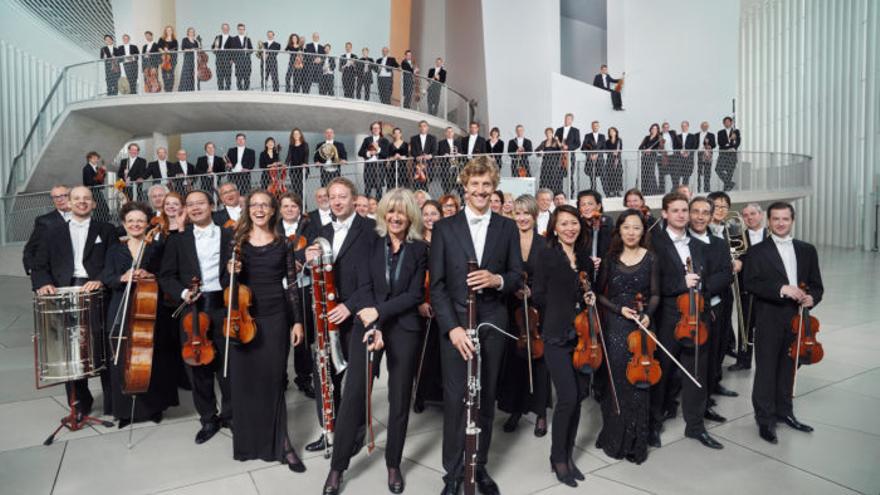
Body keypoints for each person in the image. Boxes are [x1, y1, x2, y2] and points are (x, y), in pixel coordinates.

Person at [322, 189, 428, 495]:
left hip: (404, 329)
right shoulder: (371, 240)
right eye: (390, 212)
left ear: (411, 216)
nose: (395, 218)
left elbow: (413, 296)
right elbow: (364, 285)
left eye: (401, 212)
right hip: (367, 325)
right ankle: (337, 468)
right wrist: (375, 324)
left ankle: (393, 464)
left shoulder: (420, 249)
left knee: (398, 400)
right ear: (383, 214)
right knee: (354, 395)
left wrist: (380, 314)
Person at [430, 156, 522, 495]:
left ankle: (478, 465)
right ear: (464, 188)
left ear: (493, 187)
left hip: (493, 322)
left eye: (486, 185)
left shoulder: (507, 226)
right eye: (475, 185)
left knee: (485, 396)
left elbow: (516, 276)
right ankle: (454, 473)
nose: (480, 190)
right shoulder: (444, 227)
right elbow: (436, 286)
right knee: (456, 399)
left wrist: (497, 279)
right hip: (456, 324)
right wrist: (452, 329)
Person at [222, 190, 306, 469]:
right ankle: (247, 441)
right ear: (249, 210)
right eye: (254, 205)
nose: (259, 209)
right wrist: (230, 270)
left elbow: (291, 286)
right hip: (243, 319)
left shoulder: (283, 244)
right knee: (245, 383)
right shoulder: (236, 241)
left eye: (265, 205)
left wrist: (296, 321)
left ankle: (281, 442)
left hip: (275, 317)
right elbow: (226, 283)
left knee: (273, 382)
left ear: (273, 211)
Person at [648, 192, 727, 450]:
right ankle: (653, 425)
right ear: (665, 214)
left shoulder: (699, 245)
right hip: (668, 318)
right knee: (663, 374)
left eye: (685, 210)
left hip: (697, 318)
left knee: (696, 374)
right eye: (676, 210)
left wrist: (703, 292)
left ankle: (695, 427)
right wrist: (680, 284)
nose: (682, 215)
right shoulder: (654, 243)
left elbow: (712, 279)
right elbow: (651, 282)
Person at [303, 177, 376, 454]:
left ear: (353, 198)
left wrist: (351, 304)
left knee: (357, 380)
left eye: (342, 196)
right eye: (332, 197)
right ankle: (328, 430)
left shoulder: (371, 229)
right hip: (326, 315)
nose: (336, 201)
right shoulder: (319, 230)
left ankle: (353, 436)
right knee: (325, 374)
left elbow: (376, 277)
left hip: (357, 314)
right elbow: (311, 267)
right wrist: (307, 258)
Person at [31, 186, 116, 419]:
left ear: (94, 204)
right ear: (68, 202)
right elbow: (38, 265)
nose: (82, 202)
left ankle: (113, 404)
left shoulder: (106, 230)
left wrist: (100, 280)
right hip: (63, 294)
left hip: (97, 293)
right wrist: (44, 283)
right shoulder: (52, 232)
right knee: (72, 352)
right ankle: (79, 403)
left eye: (87, 199)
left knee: (104, 348)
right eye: (77, 198)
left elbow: (114, 262)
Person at [743, 202, 823, 444]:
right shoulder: (757, 251)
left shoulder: (807, 250)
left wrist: (812, 298)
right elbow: (751, 283)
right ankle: (765, 419)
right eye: (775, 219)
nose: (780, 223)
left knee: (789, 369)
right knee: (766, 370)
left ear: (792, 220)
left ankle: (785, 412)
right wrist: (781, 288)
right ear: (768, 221)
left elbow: (817, 285)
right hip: (769, 318)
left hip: (798, 320)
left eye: (785, 219)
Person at [158, 189, 233, 444]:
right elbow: (166, 275)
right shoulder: (178, 240)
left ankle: (231, 415)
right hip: (193, 309)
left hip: (222, 305)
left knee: (227, 364)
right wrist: (182, 292)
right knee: (198, 365)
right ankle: (209, 418)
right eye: (190, 205)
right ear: (185, 210)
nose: (196, 207)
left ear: (211, 205)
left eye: (201, 203)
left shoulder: (229, 235)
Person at [101, 201, 179, 427]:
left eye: (140, 221)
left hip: (150, 306)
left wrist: (150, 274)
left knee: (153, 357)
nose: (135, 225)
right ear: (124, 224)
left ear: (147, 224)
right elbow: (107, 276)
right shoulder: (115, 249)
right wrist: (121, 278)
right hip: (121, 306)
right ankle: (124, 412)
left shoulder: (156, 247)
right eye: (131, 221)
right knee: (122, 358)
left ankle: (153, 408)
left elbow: (167, 274)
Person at [532, 204, 594, 487]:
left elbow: (586, 288)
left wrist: (587, 297)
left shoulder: (582, 256)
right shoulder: (545, 255)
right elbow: (539, 296)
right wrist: (561, 309)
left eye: (574, 223)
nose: (570, 228)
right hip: (556, 334)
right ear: (554, 228)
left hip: (583, 336)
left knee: (580, 394)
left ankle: (568, 455)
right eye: (564, 223)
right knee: (567, 396)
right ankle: (557, 458)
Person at [594, 209, 659, 464]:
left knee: (639, 383)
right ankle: (614, 436)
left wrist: (648, 315)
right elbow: (600, 294)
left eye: (636, 228)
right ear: (619, 230)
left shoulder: (652, 258)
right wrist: (618, 309)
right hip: (616, 324)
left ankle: (635, 443)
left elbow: (655, 294)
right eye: (626, 227)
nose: (631, 232)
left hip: (640, 324)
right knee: (617, 381)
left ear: (643, 232)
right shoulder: (610, 258)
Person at [497, 195, 551, 437]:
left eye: (525, 214)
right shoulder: (507, 241)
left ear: (534, 215)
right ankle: (516, 409)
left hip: (538, 310)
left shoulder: (545, 244)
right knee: (515, 361)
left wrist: (533, 291)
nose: (521, 218)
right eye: (517, 213)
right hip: (512, 309)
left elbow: (549, 278)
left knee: (540, 361)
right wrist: (513, 287)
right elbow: (501, 272)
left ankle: (541, 412)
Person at [687, 196, 735, 425]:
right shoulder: (681, 240)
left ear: (710, 215)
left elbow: (726, 274)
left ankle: (705, 402)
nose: (699, 216)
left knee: (714, 355)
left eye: (705, 212)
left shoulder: (719, 244)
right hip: (688, 312)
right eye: (695, 211)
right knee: (694, 361)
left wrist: (702, 286)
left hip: (714, 308)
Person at [276, 192, 318, 398]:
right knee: (281, 335)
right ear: (280, 209)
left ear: (299, 208)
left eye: (293, 206)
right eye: (285, 206)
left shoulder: (310, 227)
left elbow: (315, 248)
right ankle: (280, 378)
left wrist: (300, 261)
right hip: (280, 288)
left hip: (303, 286)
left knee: (304, 336)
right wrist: (287, 264)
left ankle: (304, 378)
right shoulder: (273, 229)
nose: (290, 209)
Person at [413, 199, 444, 412]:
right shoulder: (415, 242)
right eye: (426, 214)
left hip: (442, 302)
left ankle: (440, 394)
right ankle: (420, 395)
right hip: (422, 303)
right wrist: (421, 302)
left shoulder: (447, 239)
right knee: (421, 354)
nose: (430, 218)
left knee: (439, 353)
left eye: (434, 214)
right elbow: (413, 277)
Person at [730, 203, 767, 372]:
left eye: (753, 214)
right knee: (744, 326)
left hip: (768, 289)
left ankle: (766, 360)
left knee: (766, 327)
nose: (749, 218)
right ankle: (743, 361)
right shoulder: (737, 239)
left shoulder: (772, 235)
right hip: (746, 288)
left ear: (760, 215)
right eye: (745, 215)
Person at [23, 185, 70, 275]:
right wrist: (33, 270)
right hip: (55, 275)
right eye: (55, 197)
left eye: (63, 196)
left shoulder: (83, 218)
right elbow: (31, 248)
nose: (59, 200)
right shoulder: (44, 221)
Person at [577, 190, 613, 276]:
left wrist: (603, 260)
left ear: (598, 206)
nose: (586, 208)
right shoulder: (576, 226)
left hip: (604, 273)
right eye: (583, 205)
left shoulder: (607, 223)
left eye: (590, 204)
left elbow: (612, 250)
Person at [359, 121, 391, 199]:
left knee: (379, 187)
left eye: (377, 128)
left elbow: (386, 154)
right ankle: (366, 204)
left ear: (380, 130)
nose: (376, 129)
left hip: (379, 166)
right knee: (367, 187)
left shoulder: (385, 141)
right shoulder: (367, 140)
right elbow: (360, 152)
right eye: (374, 128)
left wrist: (378, 149)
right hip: (369, 166)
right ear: (371, 130)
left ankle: (378, 205)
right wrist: (369, 153)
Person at [555, 113, 581, 196]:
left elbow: (578, 144)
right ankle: (560, 194)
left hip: (570, 156)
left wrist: (568, 147)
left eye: (569, 119)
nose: (567, 120)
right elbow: (555, 142)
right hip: (559, 157)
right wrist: (559, 145)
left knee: (570, 176)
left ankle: (571, 195)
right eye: (566, 118)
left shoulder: (575, 130)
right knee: (559, 176)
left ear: (572, 120)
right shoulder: (559, 130)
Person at [410, 120, 436, 191]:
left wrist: (430, 156)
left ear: (427, 128)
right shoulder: (413, 139)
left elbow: (435, 151)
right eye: (421, 126)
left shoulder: (432, 138)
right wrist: (416, 157)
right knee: (416, 185)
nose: (422, 128)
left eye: (424, 126)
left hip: (428, 165)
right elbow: (412, 151)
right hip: (417, 165)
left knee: (426, 184)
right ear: (419, 128)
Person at [82, 151, 110, 219]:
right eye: (94, 158)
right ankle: (100, 220)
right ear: (89, 159)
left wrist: (103, 172)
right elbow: (89, 181)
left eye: (97, 158)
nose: (96, 160)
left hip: (97, 190)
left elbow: (101, 179)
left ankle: (102, 220)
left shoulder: (97, 168)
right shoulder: (86, 168)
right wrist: (100, 172)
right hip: (92, 190)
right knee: (100, 207)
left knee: (101, 207)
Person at [537, 127, 564, 194]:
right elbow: (537, 151)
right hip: (546, 163)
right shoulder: (544, 142)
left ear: (552, 133)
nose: (548, 134)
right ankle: (545, 194)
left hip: (555, 163)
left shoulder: (555, 141)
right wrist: (540, 152)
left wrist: (558, 141)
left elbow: (562, 148)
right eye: (546, 133)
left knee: (554, 178)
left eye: (549, 133)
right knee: (545, 178)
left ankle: (555, 194)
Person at [717, 117, 741, 191]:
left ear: (731, 123)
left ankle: (726, 189)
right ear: (723, 123)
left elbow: (738, 142)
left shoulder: (736, 131)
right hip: (723, 154)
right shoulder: (720, 132)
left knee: (730, 172)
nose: (727, 123)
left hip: (732, 155)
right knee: (718, 169)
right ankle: (730, 183)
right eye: (725, 122)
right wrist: (730, 142)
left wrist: (733, 147)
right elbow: (720, 143)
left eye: (728, 122)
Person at [284, 128, 310, 198]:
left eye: (297, 133)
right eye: (294, 134)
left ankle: (304, 207)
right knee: (295, 190)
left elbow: (306, 156)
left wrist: (305, 163)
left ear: (300, 135)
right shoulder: (291, 145)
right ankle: (298, 205)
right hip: (293, 170)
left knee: (300, 189)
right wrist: (285, 165)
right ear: (292, 135)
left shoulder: (305, 144)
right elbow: (288, 157)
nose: (296, 135)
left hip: (302, 170)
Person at [638, 124, 661, 195]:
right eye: (652, 129)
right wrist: (645, 149)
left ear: (657, 130)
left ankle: (651, 191)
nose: (654, 130)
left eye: (655, 129)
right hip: (644, 157)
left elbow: (659, 148)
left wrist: (651, 150)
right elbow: (640, 147)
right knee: (644, 173)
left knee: (650, 173)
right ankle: (644, 191)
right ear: (650, 129)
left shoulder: (659, 138)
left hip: (652, 157)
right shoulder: (647, 137)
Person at [437, 127, 461, 194]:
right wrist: (444, 155)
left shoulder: (458, 142)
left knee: (458, 184)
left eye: (451, 131)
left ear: (453, 133)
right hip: (446, 165)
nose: (450, 133)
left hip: (456, 166)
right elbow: (439, 153)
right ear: (445, 133)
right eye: (448, 131)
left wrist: (459, 154)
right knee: (446, 184)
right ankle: (447, 196)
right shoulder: (441, 143)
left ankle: (460, 200)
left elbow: (461, 152)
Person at [582, 121, 605, 190]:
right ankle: (593, 192)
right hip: (590, 160)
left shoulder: (602, 136)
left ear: (599, 127)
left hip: (600, 160)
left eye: (596, 126)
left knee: (603, 178)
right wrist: (590, 155)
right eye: (594, 126)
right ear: (591, 127)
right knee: (592, 178)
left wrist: (597, 154)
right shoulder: (587, 136)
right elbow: (583, 148)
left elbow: (604, 148)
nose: (595, 127)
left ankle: (607, 194)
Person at [229, 24, 253, 90]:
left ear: (244, 30)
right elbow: (231, 50)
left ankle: (246, 90)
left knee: (247, 77)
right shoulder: (234, 39)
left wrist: (247, 50)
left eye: (242, 29)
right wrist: (232, 59)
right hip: (238, 61)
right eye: (240, 29)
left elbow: (251, 50)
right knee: (238, 77)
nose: (241, 31)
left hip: (247, 61)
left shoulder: (248, 39)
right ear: (238, 30)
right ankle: (240, 91)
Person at [696, 122, 716, 193]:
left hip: (708, 154)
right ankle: (698, 189)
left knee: (707, 172)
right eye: (703, 126)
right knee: (698, 172)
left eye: (706, 126)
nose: (705, 127)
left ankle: (707, 189)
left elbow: (714, 145)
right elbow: (695, 145)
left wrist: (709, 146)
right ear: (701, 127)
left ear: (708, 127)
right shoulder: (696, 134)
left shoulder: (711, 135)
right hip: (699, 154)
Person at [603, 127, 623, 197]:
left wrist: (617, 158)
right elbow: (605, 150)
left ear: (616, 132)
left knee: (618, 175)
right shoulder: (607, 141)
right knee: (610, 175)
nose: (612, 133)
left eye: (613, 131)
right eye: (610, 132)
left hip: (617, 159)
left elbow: (620, 150)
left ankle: (618, 191)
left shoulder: (619, 140)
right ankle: (612, 191)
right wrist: (612, 152)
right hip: (610, 160)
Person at [212, 23, 233, 90]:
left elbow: (233, 51)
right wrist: (214, 48)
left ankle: (228, 90)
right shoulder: (218, 37)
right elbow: (213, 47)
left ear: (229, 29)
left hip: (228, 58)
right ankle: (220, 89)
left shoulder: (232, 38)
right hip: (219, 57)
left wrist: (232, 59)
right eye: (224, 28)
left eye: (226, 28)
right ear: (222, 29)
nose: (225, 29)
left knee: (228, 75)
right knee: (219, 74)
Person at [676, 121, 697, 187]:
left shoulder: (692, 136)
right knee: (678, 174)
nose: (684, 127)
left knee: (687, 174)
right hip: (679, 158)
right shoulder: (678, 136)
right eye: (682, 126)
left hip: (689, 158)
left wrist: (688, 152)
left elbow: (695, 146)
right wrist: (680, 152)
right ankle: (677, 189)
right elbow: (675, 146)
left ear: (688, 127)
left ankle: (684, 189)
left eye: (685, 126)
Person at [157, 26, 178, 92]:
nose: (169, 31)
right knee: (164, 74)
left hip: (172, 59)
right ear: (165, 31)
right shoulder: (161, 39)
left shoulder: (175, 40)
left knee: (171, 74)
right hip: (163, 59)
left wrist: (169, 51)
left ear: (172, 31)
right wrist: (163, 51)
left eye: (170, 30)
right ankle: (166, 88)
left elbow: (176, 49)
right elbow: (159, 47)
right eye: (167, 30)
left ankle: (170, 88)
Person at [179, 27, 199, 92]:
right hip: (187, 57)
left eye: (193, 32)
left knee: (193, 73)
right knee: (186, 73)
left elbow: (198, 50)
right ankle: (185, 89)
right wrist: (191, 50)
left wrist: (197, 48)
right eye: (190, 31)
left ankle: (193, 89)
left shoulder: (195, 41)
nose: (191, 33)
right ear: (188, 32)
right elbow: (183, 48)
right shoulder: (185, 39)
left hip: (194, 58)